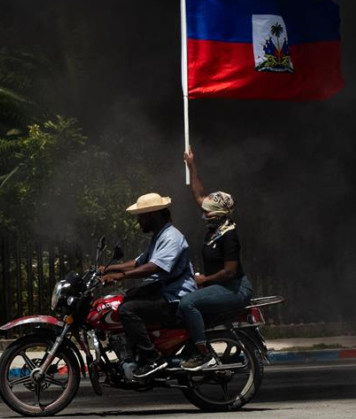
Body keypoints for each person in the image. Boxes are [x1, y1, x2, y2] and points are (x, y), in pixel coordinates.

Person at [100, 192, 197, 378]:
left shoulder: (172, 237)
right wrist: (107, 269)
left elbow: (152, 267)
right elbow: (138, 262)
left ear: (152, 215)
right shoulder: (159, 236)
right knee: (123, 299)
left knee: (128, 310)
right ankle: (132, 352)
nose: (139, 222)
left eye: (141, 217)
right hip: (162, 291)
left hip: (175, 296)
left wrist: (119, 276)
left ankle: (152, 358)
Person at [177, 147, 253, 371]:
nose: (204, 215)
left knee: (188, 303)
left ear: (220, 215)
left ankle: (204, 354)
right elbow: (199, 195)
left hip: (234, 288)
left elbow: (230, 271)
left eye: (208, 213)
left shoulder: (229, 236)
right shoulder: (216, 231)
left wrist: (204, 280)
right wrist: (192, 165)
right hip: (220, 286)